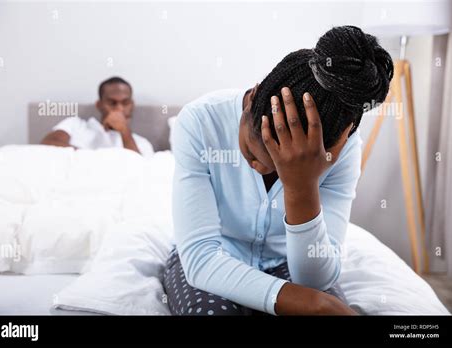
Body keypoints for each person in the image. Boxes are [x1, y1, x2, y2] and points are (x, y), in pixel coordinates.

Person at [163, 26, 393, 315]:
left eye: (276, 169)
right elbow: (201, 260)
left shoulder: (343, 149)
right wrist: (314, 303)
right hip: (217, 259)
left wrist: (301, 187)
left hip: (288, 262)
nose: (257, 168)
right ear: (252, 97)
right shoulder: (200, 121)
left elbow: (314, 280)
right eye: (250, 150)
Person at [41, 77, 154, 155]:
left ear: (132, 105)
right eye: (112, 103)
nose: (119, 109)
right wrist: (93, 160)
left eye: (125, 103)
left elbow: (139, 170)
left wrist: (124, 131)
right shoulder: (75, 124)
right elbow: (48, 145)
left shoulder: (141, 143)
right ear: (99, 105)